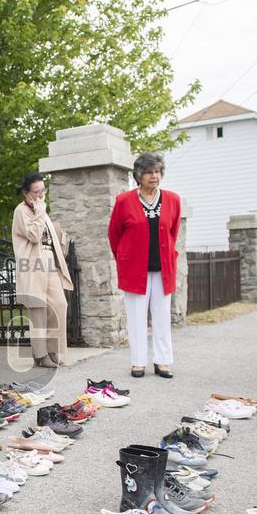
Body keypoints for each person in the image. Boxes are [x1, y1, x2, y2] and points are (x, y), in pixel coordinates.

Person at [108, 152, 181, 378]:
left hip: (163, 269)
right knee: (137, 318)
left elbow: (173, 232)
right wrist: (123, 258)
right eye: (149, 172)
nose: (154, 176)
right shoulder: (124, 201)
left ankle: (163, 362)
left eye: (157, 171)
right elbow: (114, 235)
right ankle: (138, 362)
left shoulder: (172, 200)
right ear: (138, 176)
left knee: (161, 317)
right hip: (134, 270)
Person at [12, 172, 73, 367]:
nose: (40, 195)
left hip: (48, 262)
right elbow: (33, 235)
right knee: (38, 310)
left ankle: (54, 350)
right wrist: (40, 211)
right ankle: (40, 355)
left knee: (59, 305)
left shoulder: (41, 210)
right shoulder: (21, 211)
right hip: (32, 264)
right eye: (36, 192)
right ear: (26, 193)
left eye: (42, 191)